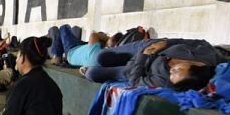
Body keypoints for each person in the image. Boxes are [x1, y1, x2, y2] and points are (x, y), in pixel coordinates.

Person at [83, 38, 221, 90]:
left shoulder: (166, 81)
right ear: (197, 66)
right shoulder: (207, 55)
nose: (172, 71)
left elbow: (134, 81)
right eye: (178, 70)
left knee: (92, 73)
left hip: (135, 65)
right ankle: (113, 45)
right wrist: (165, 43)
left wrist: (143, 57)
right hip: (145, 46)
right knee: (100, 57)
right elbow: (190, 41)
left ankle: (114, 60)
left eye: (172, 75)